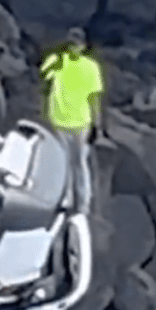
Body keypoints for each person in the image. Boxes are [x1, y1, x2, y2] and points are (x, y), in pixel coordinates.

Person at [40, 27, 106, 215]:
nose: (73, 48)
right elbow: (44, 79)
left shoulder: (91, 67)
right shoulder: (57, 62)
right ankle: (65, 199)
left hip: (81, 122)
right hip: (59, 120)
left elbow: (94, 98)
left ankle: (84, 203)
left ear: (84, 46)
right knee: (62, 163)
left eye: (76, 44)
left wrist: (97, 124)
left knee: (79, 164)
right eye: (70, 44)